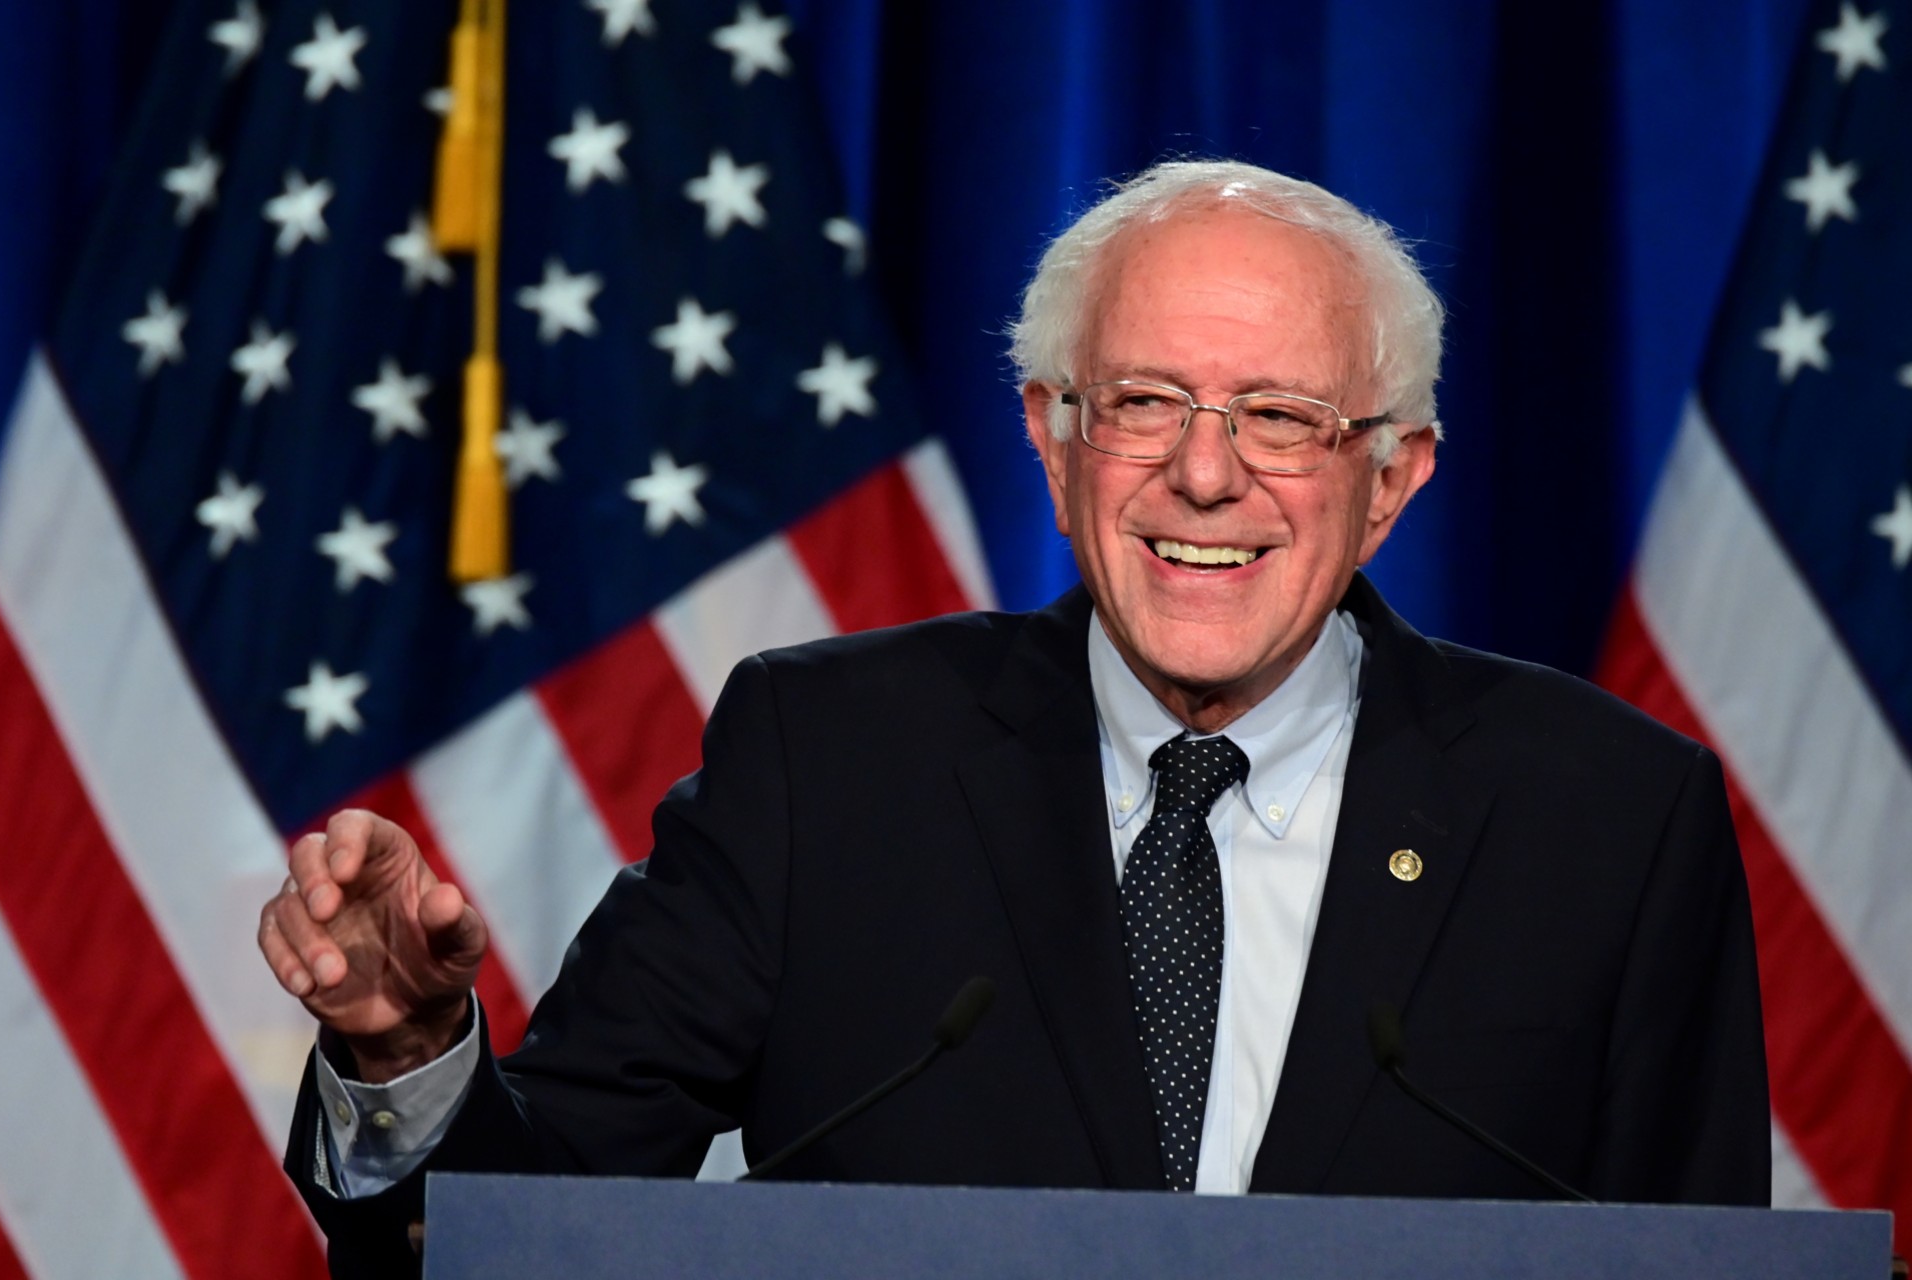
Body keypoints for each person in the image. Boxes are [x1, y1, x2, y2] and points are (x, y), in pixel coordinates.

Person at [259, 159, 1769, 1275]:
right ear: (1053, 446)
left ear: (1395, 477)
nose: (1202, 473)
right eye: (1143, 404)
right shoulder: (829, 763)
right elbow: (511, 1245)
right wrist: (409, 1050)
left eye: (1282, 418)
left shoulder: (1611, 819)